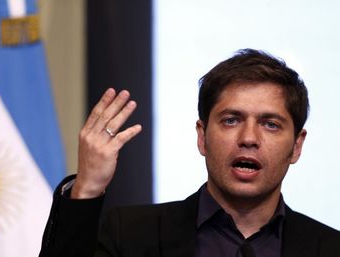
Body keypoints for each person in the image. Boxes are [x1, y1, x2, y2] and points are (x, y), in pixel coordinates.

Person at [39, 49, 340, 257]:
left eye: (270, 124)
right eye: (231, 120)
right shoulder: (131, 235)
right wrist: (88, 189)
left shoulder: (329, 248)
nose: (249, 138)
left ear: (296, 146)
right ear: (202, 137)